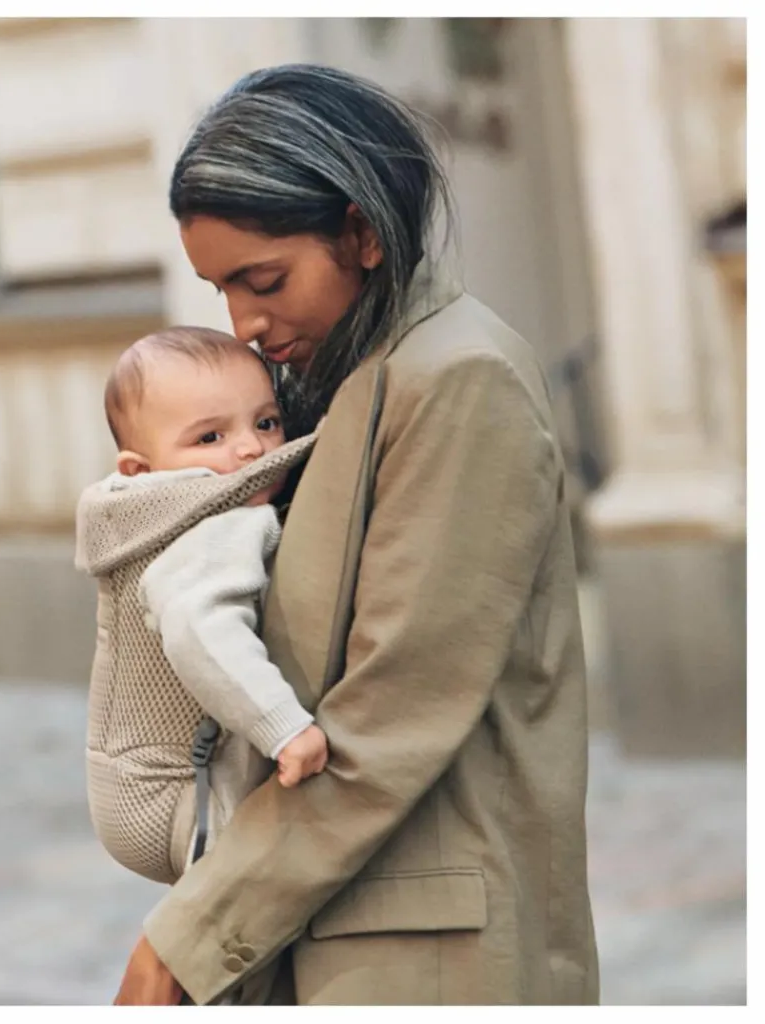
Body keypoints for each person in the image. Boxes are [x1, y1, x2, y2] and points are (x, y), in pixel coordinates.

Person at [113, 63, 599, 1006]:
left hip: (433, 947)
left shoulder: (457, 380)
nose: (245, 325)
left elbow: (392, 715)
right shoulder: (340, 385)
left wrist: (187, 940)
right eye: (220, 290)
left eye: (263, 281)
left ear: (362, 233)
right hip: (336, 916)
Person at [75, 326, 327, 889]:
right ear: (140, 470)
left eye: (266, 423)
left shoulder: (137, 515)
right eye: (210, 436)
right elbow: (198, 627)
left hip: (129, 781)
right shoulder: (216, 521)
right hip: (180, 792)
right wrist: (285, 729)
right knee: (270, 891)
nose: (250, 449)